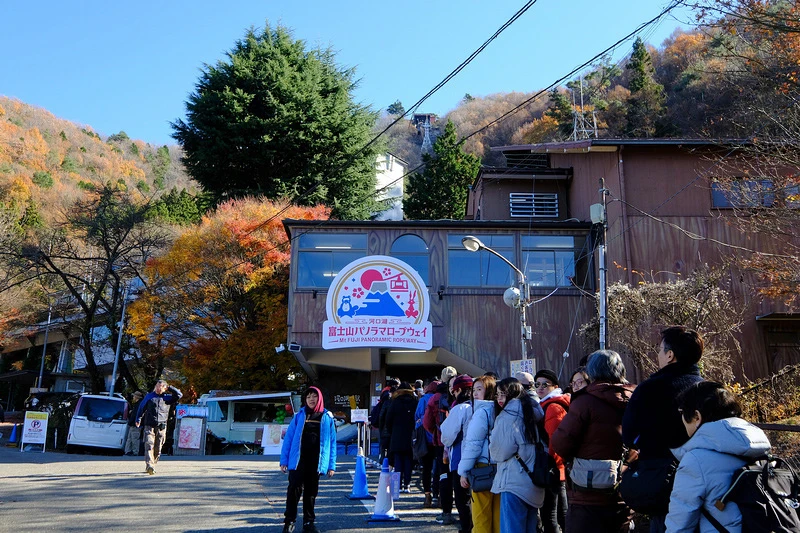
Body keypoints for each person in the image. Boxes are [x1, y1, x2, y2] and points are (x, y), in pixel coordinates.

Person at [622, 326, 705, 533]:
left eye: (660, 350)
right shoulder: (709, 389)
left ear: (670, 355)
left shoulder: (650, 389)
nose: (658, 354)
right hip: (705, 476)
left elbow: (629, 435)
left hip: (662, 479)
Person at [665, 381, 770, 532]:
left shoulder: (696, 460)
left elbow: (680, 523)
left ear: (696, 416)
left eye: (682, 413)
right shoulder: (760, 448)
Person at [550, 350, 636, 533]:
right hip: (623, 487)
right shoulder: (635, 399)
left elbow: (560, 443)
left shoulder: (585, 402)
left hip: (586, 493)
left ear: (592, 372)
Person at [489, 377, 544, 533]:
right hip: (534, 482)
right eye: (497, 394)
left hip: (513, 481)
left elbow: (498, 453)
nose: (499, 399)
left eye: (503, 394)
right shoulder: (533, 412)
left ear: (512, 394)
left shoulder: (507, 416)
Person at [280, 386, 337, 533]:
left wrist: (331, 465)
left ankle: (308, 522)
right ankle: (289, 521)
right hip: (298, 461)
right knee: (294, 491)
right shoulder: (299, 416)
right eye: (308, 397)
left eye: (314, 396)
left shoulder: (327, 417)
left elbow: (332, 443)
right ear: (305, 400)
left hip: (316, 462)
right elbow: (289, 439)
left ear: (320, 398)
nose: (311, 399)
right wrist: (284, 460)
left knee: (311, 493)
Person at [458, 374, 499, 533]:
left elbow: (473, 445)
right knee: (498, 517)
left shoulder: (482, 412)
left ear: (489, 390)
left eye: (479, 389)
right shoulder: (500, 409)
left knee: (481, 517)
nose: (475, 393)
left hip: (482, 469)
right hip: (500, 468)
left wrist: (463, 471)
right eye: (473, 390)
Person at [534, 369, 570, 533]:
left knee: (552, 516)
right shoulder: (547, 404)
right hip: (556, 468)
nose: (540, 388)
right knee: (559, 515)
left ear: (554, 386)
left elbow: (555, 441)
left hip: (553, 469)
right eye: (537, 384)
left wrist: (550, 465)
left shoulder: (552, 407)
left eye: (545, 384)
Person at [441, 374, 475, 533]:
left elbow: (446, 436)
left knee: (463, 499)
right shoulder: (483, 407)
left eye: (454, 391)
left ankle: (466, 529)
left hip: (460, 458)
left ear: (459, 390)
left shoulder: (459, 408)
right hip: (482, 459)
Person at [424, 379, 455, 525]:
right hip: (459, 443)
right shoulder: (462, 400)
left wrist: (437, 433)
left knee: (443, 474)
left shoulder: (434, 399)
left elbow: (427, 423)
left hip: (441, 443)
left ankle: (445, 508)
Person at [136, 380, 182, 475]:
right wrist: (138, 419)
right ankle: (150, 465)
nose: (158, 388)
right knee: (149, 444)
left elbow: (179, 395)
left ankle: (153, 463)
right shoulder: (149, 396)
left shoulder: (167, 398)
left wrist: (169, 388)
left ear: (164, 388)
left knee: (158, 447)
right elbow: (141, 408)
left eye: (161, 387)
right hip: (149, 425)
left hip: (161, 426)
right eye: (157, 386)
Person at [385, 381, 418, 493]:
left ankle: (397, 485)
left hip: (397, 435)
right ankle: (407, 484)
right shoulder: (414, 402)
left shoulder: (395, 402)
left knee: (398, 461)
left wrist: (391, 431)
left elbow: (388, 419)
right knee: (409, 460)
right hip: (410, 435)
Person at [416, 380, 441, 508]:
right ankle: (440, 495)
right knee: (441, 469)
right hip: (441, 439)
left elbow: (418, 418)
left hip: (426, 439)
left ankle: (427, 496)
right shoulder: (443, 398)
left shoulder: (424, 399)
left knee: (426, 468)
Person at [124, 390, 143, 456]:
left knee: (134, 438)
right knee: (130, 438)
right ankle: (128, 451)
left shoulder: (139, 405)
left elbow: (136, 415)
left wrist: (132, 422)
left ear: (137, 397)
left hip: (135, 424)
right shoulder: (138, 404)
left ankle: (135, 452)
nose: (133, 398)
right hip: (133, 424)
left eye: (134, 396)